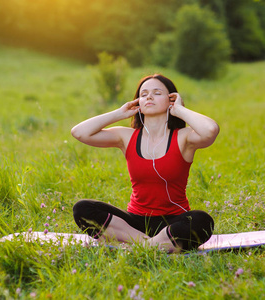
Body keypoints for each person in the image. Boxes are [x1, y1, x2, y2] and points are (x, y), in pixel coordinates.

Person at [71, 74, 219, 252]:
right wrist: (119, 113)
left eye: (157, 93)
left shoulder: (183, 137)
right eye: (143, 94)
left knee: (202, 221)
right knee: (83, 209)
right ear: (137, 103)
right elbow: (79, 132)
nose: (149, 97)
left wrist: (179, 110)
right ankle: (150, 245)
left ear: (170, 100)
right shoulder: (126, 136)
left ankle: (144, 246)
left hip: (174, 223)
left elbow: (210, 130)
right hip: (133, 225)